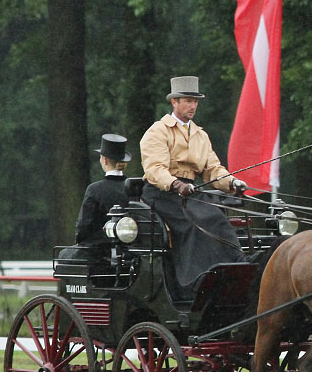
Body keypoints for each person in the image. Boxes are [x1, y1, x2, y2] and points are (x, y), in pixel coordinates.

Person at [140, 76, 248, 292]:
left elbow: (212, 170)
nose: (192, 106)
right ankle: (194, 281)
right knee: (193, 224)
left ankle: (236, 267)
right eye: (188, 101)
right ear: (174, 102)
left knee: (216, 218)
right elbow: (155, 169)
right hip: (161, 193)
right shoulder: (158, 131)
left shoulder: (200, 135)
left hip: (190, 192)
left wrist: (232, 182)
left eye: (195, 101)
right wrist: (176, 184)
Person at [74, 134, 132, 254]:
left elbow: (84, 226)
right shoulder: (135, 188)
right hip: (132, 252)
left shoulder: (94, 190)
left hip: (100, 254)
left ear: (104, 160)